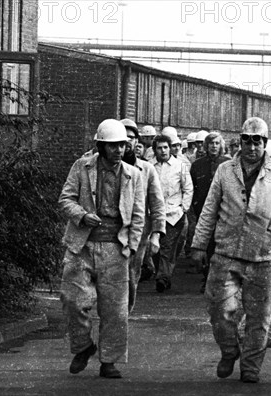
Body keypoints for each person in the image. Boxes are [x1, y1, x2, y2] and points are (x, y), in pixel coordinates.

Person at [191, 117, 271, 384]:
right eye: (247, 141)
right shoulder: (225, 170)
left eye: (258, 141)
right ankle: (230, 350)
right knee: (219, 309)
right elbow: (209, 210)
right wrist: (198, 245)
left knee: (259, 316)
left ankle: (251, 366)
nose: (252, 147)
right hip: (227, 251)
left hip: (263, 256)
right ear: (240, 142)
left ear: (265, 144)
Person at [59, 119, 145, 379]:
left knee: (115, 311)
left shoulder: (134, 175)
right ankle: (83, 346)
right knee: (72, 300)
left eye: (122, 145)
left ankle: (109, 360)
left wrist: (130, 248)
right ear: (101, 146)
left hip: (115, 247)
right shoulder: (82, 167)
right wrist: (82, 215)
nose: (119, 150)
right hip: (81, 245)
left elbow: (139, 215)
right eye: (112, 146)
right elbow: (66, 198)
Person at [120, 119, 166, 312]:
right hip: (110, 232)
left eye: (131, 138)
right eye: (123, 137)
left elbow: (157, 204)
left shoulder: (146, 169)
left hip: (138, 234)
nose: (127, 142)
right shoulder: (105, 167)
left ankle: (124, 314)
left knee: (131, 275)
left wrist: (156, 234)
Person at [150, 134, 193, 292]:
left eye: (165, 147)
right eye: (159, 148)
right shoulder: (149, 166)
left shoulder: (180, 166)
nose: (163, 151)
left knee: (167, 247)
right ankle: (162, 273)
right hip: (154, 214)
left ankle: (163, 277)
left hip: (174, 214)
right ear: (154, 150)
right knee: (155, 247)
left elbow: (188, 188)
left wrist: (183, 208)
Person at [189, 131, 230, 286]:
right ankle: (208, 277)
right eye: (211, 143)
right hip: (203, 210)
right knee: (206, 244)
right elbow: (192, 188)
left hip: (224, 211)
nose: (214, 146)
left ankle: (220, 278)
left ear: (221, 146)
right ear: (206, 146)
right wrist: (194, 206)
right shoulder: (197, 165)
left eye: (217, 143)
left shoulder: (227, 164)